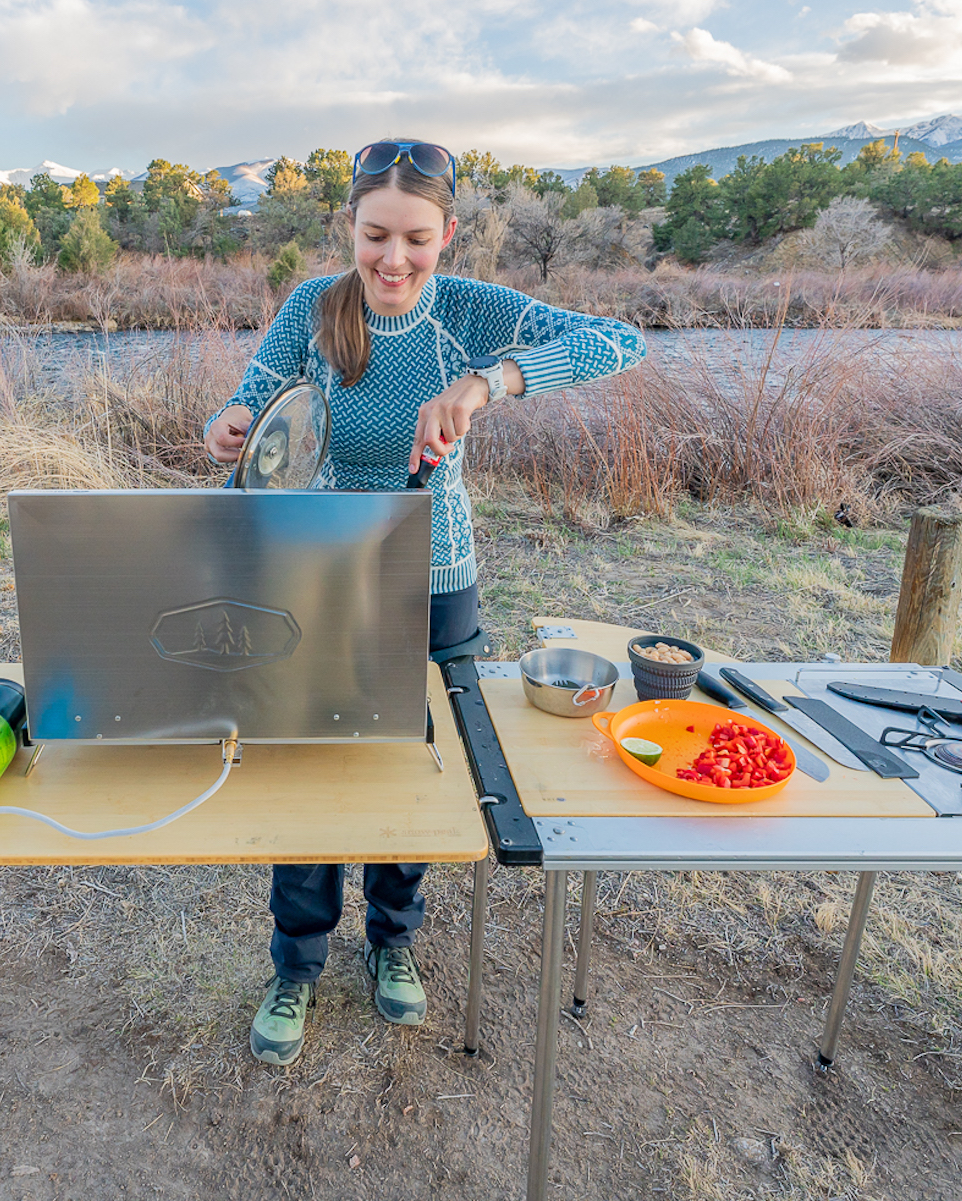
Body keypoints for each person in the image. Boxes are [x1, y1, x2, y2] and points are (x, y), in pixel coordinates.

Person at [203, 138, 646, 1066]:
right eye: (374, 237)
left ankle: (394, 940)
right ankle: (297, 961)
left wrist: (491, 381)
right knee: (309, 760)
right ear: (349, 230)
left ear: (447, 233)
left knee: (419, 764)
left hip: (436, 577)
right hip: (313, 574)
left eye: (415, 238)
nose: (393, 260)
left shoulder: (470, 312)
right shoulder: (315, 308)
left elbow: (619, 339)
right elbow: (251, 400)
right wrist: (230, 425)